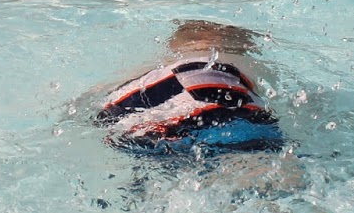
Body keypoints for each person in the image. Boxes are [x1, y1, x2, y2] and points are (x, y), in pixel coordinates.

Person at [95, 21, 283, 156]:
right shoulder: (236, 64)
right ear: (248, 45)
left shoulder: (138, 72)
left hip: (136, 114)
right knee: (253, 155)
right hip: (216, 87)